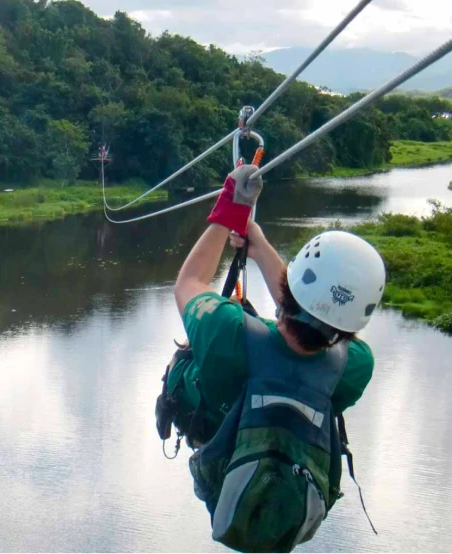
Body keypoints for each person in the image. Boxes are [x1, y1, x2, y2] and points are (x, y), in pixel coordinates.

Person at [158, 164, 386, 552]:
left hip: (222, 465)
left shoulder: (227, 332)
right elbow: (319, 321)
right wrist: (258, 244)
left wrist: (231, 206)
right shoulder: (354, 366)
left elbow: (189, 283)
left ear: (291, 286)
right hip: (291, 499)